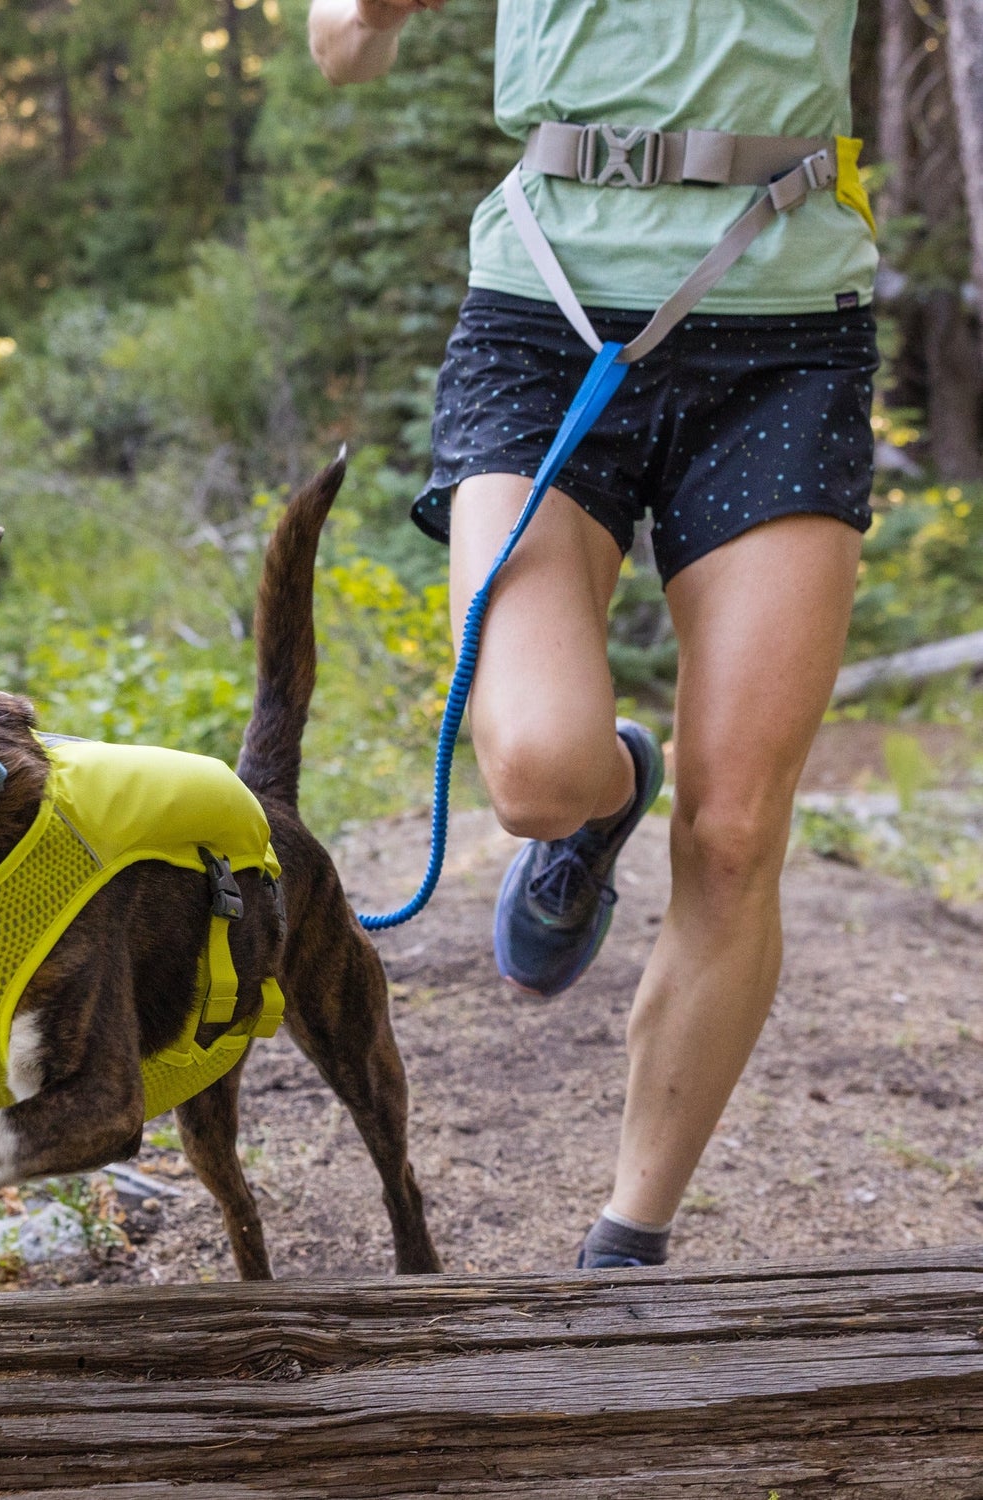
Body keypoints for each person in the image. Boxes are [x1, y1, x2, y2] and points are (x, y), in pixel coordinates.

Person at [309, 0, 878, 1267]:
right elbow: (340, 47)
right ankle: (606, 799)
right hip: (543, 313)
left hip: (787, 331)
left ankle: (630, 1241)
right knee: (536, 772)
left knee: (736, 831)